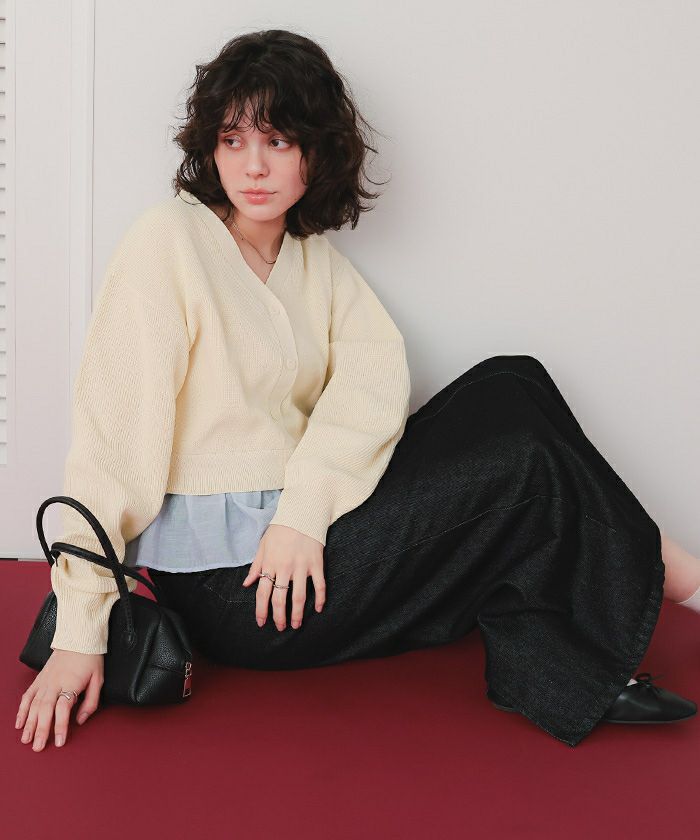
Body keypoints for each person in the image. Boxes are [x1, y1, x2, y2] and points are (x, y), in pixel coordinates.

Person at [15, 29, 700, 753]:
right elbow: (112, 442)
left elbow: (375, 379)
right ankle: (666, 577)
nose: (253, 166)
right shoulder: (168, 242)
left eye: (278, 141)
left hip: (297, 541)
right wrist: (80, 631)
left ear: (316, 152)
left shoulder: (310, 257)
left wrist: (303, 513)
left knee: (513, 380)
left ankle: (590, 628)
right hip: (240, 591)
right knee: (525, 463)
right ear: (209, 148)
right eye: (233, 139)